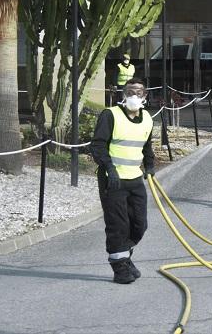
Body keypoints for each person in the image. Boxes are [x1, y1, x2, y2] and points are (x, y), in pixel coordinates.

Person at [90, 77, 155, 284]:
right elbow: (98, 145)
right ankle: (120, 268)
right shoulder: (111, 115)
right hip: (113, 180)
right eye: (129, 92)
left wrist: (150, 166)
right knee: (118, 224)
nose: (134, 96)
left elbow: (146, 146)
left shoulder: (148, 119)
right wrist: (109, 168)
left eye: (138, 92)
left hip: (135, 178)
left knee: (139, 224)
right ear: (123, 95)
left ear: (145, 96)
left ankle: (125, 257)